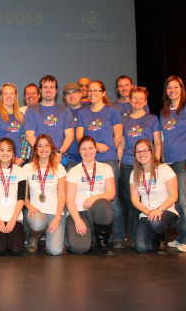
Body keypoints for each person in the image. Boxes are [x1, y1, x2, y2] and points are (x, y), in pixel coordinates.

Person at [76, 80, 125, 248]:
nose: (92, 93)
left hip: (108, 158)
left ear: (103, 93)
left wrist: (108, 148)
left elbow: (118, 136)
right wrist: (95, 146)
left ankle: (118, 236)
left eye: (96, 90)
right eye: (89, 90)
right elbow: (79, 138)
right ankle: (94, 234)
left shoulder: (112, 111)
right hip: (89, 160)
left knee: (113, 199)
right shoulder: (83, 113)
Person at [160, 76, 186, 253]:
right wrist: (161, 160)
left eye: (176, 87)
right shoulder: (164, 112)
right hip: (169, 162)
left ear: (181, 88)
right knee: (176, 204)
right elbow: (162, 139)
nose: (172, 91)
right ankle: (181, 237)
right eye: (169, 88)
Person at [118, 86, 161, 247]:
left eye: (140, 98)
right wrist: (119, 163)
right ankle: (134, 235)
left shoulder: (152, 119)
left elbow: (157, 142)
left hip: (148, 165)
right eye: (134, 98)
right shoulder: (124, 121)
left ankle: (153, 232)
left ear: (146, 102)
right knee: (132, 202)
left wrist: (157, 161)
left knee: (148, 199)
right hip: (129, 165)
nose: (137, 101)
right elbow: (121, 144)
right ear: (129, 100)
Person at [65, 136, 116, 256]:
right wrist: (77, 220)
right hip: (79, 212)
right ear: (79, 151)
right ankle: (83, 235)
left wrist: (94, 198)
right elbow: (69, 199)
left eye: (90, 148)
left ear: (96, 149)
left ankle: (102, 242)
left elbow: (111, 193)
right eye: (83, 149)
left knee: (103, 203)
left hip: (97, 210)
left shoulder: (106, 168)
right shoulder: (73, 171)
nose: (87, 152)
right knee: (79, 248)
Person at [130, 139, 179, 254]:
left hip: (166, 211)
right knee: (142, 248)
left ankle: (163, 238)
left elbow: (174, 196)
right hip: (147, 214)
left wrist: (159, 209)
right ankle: (155, 235)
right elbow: (134, 200)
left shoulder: (165, 170)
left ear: (151, 152)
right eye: (138, 152)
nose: (142, 154)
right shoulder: (135, 173)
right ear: (135, 154)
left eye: (145, 150)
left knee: (156, 222)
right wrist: (148, 212)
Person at [23, 134, 66, 255]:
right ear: (36, 149)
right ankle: (34, 237)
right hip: (36, 212)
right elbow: (23, 196)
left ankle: (52, 238)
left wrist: (57, 218)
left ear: (52, 148)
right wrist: (30, 207)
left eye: (46, 146)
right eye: (40, 146)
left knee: (56, 251)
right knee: (38, 222)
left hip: (55, 213)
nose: (43, 149)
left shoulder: (59, 168)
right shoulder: (27, 168)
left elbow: (62, 195)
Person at [0, 138, 26, 256]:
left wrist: (13, 220)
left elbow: (21, 198)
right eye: (2, 150)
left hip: (15, 218)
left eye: (9, 150)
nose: (5, 153)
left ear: (13, 153)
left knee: (16, 249)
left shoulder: (20, 171)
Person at [25, 75, 73, 166]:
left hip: (59, 159)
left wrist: (60, 154)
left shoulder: (65, 111)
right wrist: (44, 153)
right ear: (40, 90)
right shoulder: (31, 110)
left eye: (52, 87)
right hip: (38, 159)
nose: (48, 90)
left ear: (56, 90)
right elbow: (29, 136)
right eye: (45, 87)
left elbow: (69, 135)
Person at [0, 82, 28, 167]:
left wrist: (22, 157)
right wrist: (7, 153)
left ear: (15, 96)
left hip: (16, 160)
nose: (9, 96)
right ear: (1, 96)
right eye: (5, 93)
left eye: (12, 93)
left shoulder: (21, 115)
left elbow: (24, 139)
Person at [62, 82, 83, 170]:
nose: (71, 95)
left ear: (80, 94)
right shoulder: (60, 112)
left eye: (74, 92)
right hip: (67, 159)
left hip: (86, 157)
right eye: (68, 93)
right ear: (64, 97)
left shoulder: (89, 111)